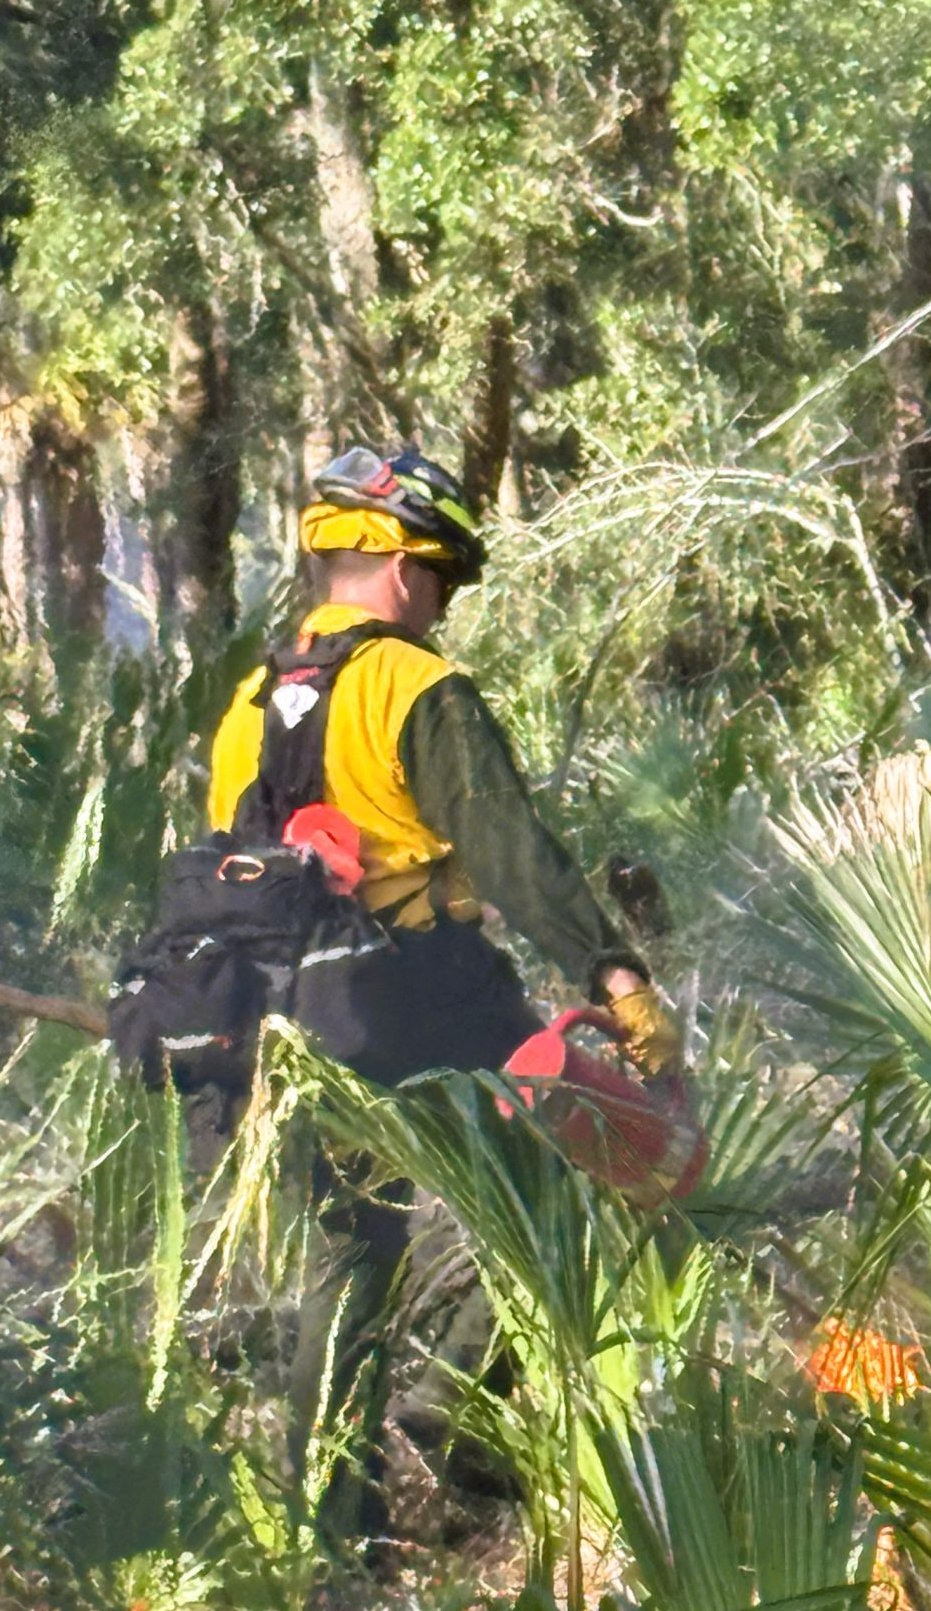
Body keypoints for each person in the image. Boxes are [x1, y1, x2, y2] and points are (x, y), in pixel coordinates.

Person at [205, 443, 679, 1551]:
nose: (444, 605)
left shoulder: (248, 702)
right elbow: (510, 850)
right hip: (427, 982)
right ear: (402, 567)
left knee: (350, 1259)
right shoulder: (417, 687)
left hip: (293, 1010)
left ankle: (334, 1536)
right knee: (580, 1163)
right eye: (444, 579)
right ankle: (463, 1410)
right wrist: (613, 972)